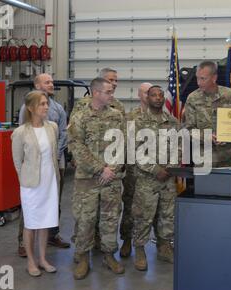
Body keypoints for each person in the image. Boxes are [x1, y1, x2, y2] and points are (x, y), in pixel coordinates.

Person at [68, 78, 125, 279]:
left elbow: (122, 145)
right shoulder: (80, 117)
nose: (112, 95)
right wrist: (101, 169)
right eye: (108, 91)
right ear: (96, 92)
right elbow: (76, 147)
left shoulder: (117, 116)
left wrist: (112, 169)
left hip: (111, 178)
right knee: (86, 219)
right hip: (88, 179)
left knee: (110, 219)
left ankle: (109, 255)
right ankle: (83, 257)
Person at [17, 73, 70, 257]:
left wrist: (55, 154)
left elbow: (63, 132)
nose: (51, 84)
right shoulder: (27, 107)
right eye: (47, 82)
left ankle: (51, 235)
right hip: (34, 166)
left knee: (54, 200)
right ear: (36, 84)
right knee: (30, 205)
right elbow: (23, 136)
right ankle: (24, 242)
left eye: (52, 82)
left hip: (56, 163)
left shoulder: (57, 109)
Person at [12, 90, 60, 277]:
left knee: (45, 222)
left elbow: (53, 155)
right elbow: (18, 162)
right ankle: (31, 261)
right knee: (31, 223)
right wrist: (25, 181)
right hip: (31, 185)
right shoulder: (20, 132)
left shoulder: (52, 127)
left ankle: (42, 259)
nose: (46, 107)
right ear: (31, 108)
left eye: (46, 103)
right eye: (42, 104)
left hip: (50, 182)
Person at [131, 85, 179, 271]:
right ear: (147, 98)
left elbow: (179, 147)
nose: (158, 98)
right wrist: (155, 169)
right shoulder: (138, 122)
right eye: (154, 95)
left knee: (167, 215)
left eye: (161, 95)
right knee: (143, 216)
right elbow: (133, 151)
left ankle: (164, 247)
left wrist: (170, 168)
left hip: (168, 178)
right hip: (146, 179)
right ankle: (140, 248)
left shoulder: (173, 122)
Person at [184, 60, 231, 167]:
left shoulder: (228, 95)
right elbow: (188, 130)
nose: (198, 83)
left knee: (226, 184)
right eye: (197, 78)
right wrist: (207, 137)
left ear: (214, 78)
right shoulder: (192, 98)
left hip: (227, 156)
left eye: (203, 79)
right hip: (203, 158)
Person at [118, 82, 153, 258]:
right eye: (146, 92)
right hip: (134, 171)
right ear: (139, 95)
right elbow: (123, 143)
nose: (149, 96)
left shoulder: (162, 116)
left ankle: (145, 244)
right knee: (130, 206)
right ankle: (126, 240)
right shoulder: (130, 117)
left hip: (154, 172)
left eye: (152, 92)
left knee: (151, 209)